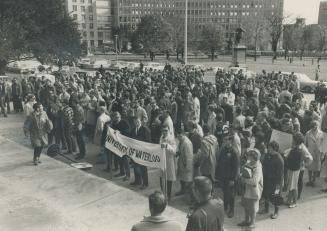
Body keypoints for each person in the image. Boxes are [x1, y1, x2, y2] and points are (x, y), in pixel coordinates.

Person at [285, 133, 313, 208]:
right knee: (291, 184)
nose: (292, 140)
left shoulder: (302, 148)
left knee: (294, 185)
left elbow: (310, 158)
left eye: (293, 139)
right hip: (293, 167)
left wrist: (304, 165)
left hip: (298, 169)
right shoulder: (295, 146)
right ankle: (289, 200)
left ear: (296, 141)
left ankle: (294, 201)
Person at [217, 129, 240, 218]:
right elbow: (220, 162)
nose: (225, 141)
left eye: (227, 140)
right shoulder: (223, 150)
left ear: (231, 141)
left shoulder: (234, 152)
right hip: (223, 176)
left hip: (230, 177)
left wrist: (232, 179)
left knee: (231, 194)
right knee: (225, 193)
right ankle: (225, 207)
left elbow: (236, 167)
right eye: (224, 140)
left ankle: (231, 210)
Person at [238, 149, 263, 230]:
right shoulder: (249, 163)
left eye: (250, 156)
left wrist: (244, 180)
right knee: (246, 205)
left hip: (254, 191)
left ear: (254, 157)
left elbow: (255, 181)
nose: (248, 158)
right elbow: (244, 171)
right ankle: (246, 220)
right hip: (246, 189)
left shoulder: (258, 167)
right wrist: (241, 175)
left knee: (252, 207)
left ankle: (252, 223)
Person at [259, 141, 284, 219]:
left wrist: (278, 185)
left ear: (275, 148)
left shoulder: (279, 159)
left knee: (276, 195)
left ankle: (276, 212)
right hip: (267, 179)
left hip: (276, 182)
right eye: (268, 147)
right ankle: (266, 209)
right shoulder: (267, 155)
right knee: (266, 194)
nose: (268, 149)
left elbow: (280, 174)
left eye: (270, 148)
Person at [130, 116, 151, 189]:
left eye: (138, 121)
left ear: (141, 122)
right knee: (135, 167)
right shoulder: (133, 130)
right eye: (135, 122)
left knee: (143, 168)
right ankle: (137, 181)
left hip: (142, 152)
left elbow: (148, 141)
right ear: (134, 122)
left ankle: (145, 183)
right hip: (135, 152)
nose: (137, 123)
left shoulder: (145, 130)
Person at [175, 127, 193, 200]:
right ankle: (182, 190)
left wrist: (187, 166)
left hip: (186, 164)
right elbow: (179, 150)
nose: (178, 138)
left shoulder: (187, 143)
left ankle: (189, 197)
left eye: (179, 136)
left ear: (182, 134)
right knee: (182, 178)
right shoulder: (181, 141)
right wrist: (177, 153)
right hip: (181, 162)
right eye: (177, 136)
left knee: (188, 181)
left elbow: (189, 156)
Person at [160, 125, 177, 199]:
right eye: (163, 130)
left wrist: (167, 146)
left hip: (169, 160)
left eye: (166, 130)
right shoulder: (161, 137)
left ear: (169, 131)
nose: (164, 132)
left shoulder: (171, 139)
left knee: (169, 178)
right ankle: (162, 193)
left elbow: (174, 151)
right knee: (161, 177)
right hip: (162, 159)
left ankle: (168, 195)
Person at [305, 120, 324, 187]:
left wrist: (322, 153)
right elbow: (305, 143)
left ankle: (314, 180)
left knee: (316, 167)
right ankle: (310, 180)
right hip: (310, 152)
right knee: (310, 167)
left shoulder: (321, 133)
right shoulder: (308, 133)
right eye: (313, 126)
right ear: (311, 126)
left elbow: (323, 144)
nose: (314, 127)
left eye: (316, 125)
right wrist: (306, 152)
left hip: (318, 152)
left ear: (317, 126)